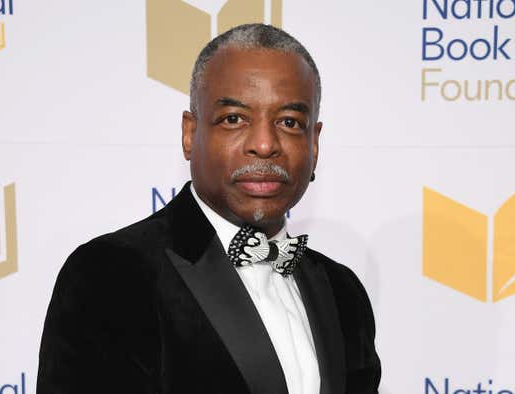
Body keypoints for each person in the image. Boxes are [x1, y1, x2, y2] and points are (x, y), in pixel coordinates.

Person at [37, 23, 380, 394]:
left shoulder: (342, 291)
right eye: (234, 119)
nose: (264, 145)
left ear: (314, 143)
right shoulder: (111, 275)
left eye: (289, 122)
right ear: (190, 134)